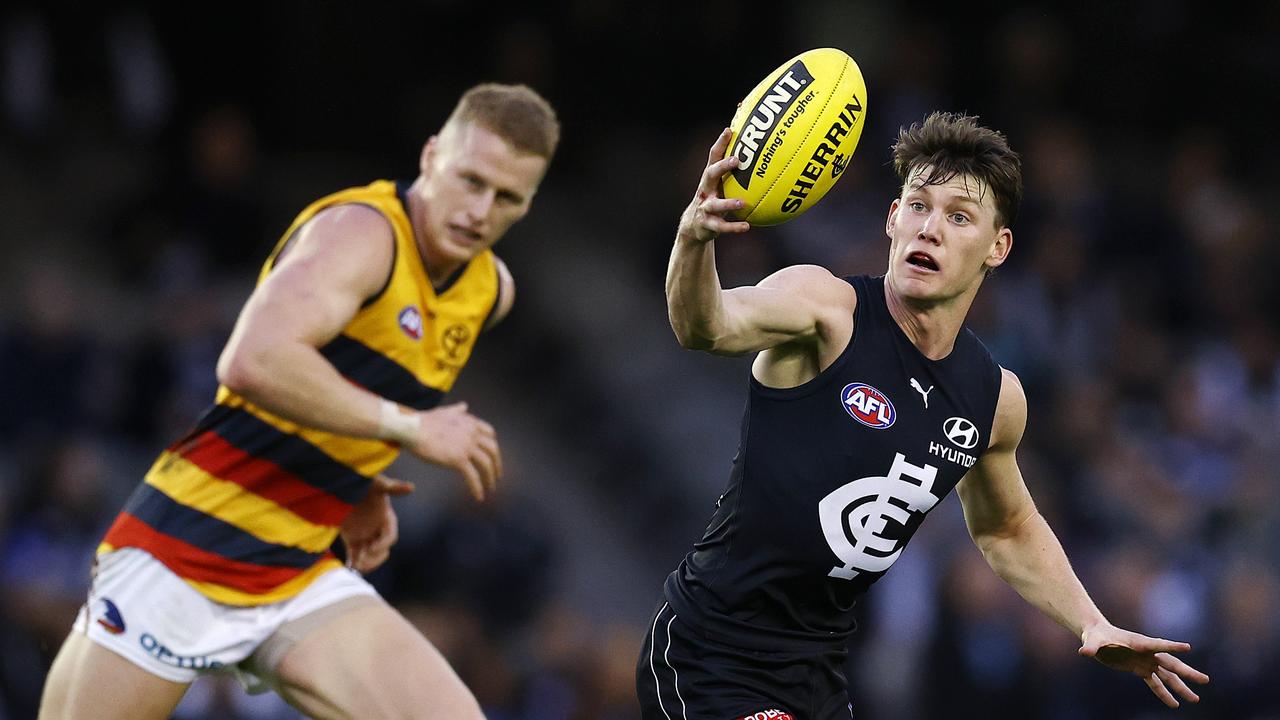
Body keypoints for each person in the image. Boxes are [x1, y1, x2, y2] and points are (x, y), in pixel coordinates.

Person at [637, 113, 1210, 719]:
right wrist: (694, 238)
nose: (930, 229)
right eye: (918, 207)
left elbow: (1006, 528)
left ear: (998, 246)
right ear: (892, 219)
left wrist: (1092, 623)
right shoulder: (825, 309)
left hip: (816, 673)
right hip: (710, 653)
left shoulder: (993, 398)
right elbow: (703, 326)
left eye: (958, 216)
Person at [38, 82, 559, 720]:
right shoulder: (360, 234)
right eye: (470, 180)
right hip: (187, 548)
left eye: (506, 197)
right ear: (429, 158)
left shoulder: (487, 291)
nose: (480, 210)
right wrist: (410, 428)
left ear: (528, 204)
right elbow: (254, 360)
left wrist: (354, 477)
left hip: (297, 565)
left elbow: (360, 376)